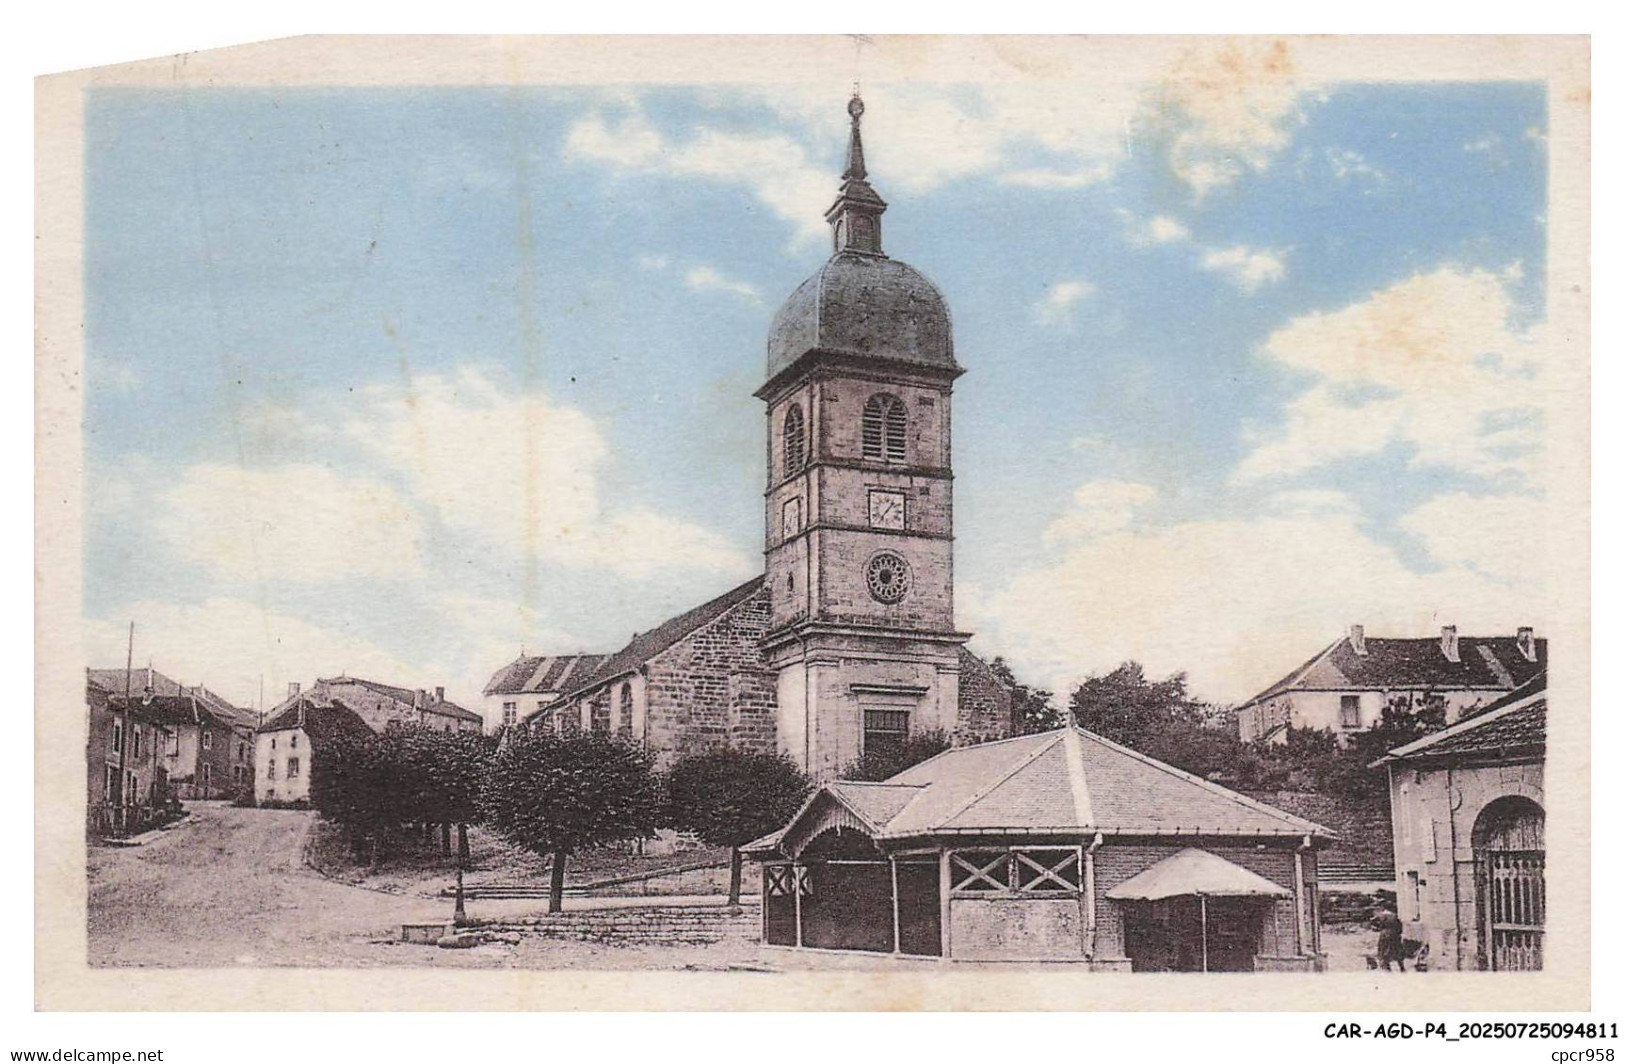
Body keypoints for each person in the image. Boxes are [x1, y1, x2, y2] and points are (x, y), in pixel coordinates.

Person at [1372, 906, 1406, 971]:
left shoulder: (1381, 916)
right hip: (1394, 934)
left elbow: (1378, 926)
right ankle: (1401, 967)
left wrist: (1379, 929)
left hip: (1385, 935)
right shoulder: (1394, 915)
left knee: (1384, 950)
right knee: (1397, 950)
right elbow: (1399, 926)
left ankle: (1387, 967)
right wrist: (1398, 933)